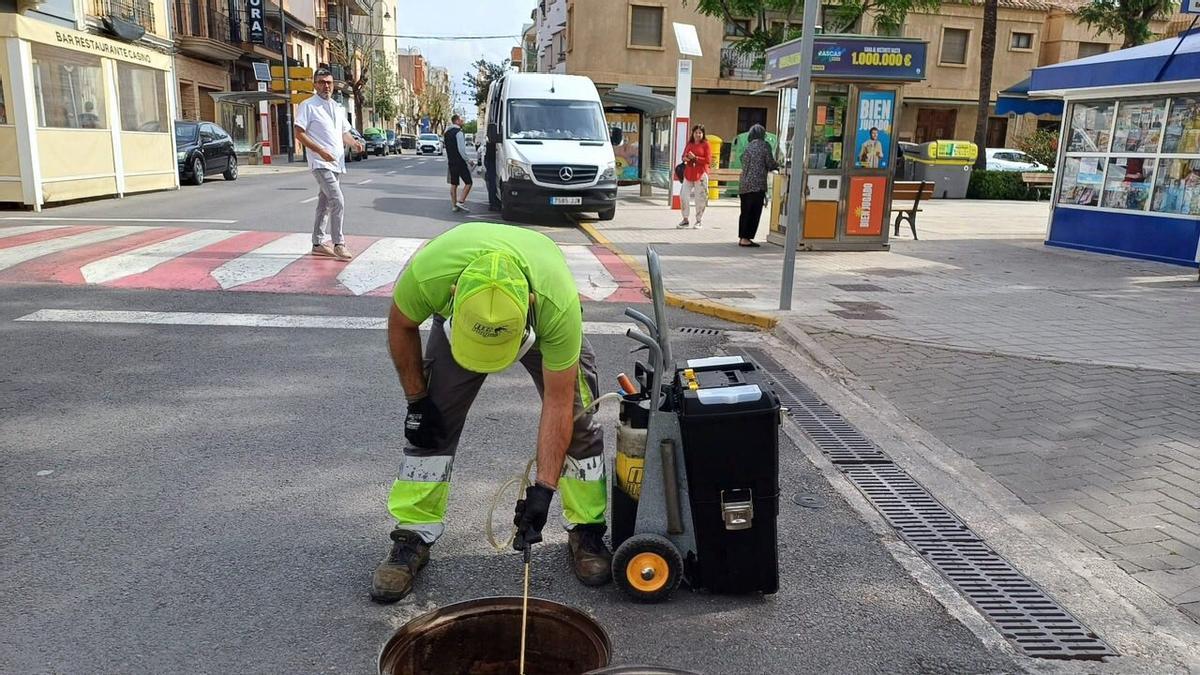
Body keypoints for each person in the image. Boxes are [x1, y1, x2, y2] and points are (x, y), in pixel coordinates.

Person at [370, 221, 612, 603]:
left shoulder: (555, 303)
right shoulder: (431, 273)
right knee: (434, 421)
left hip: (538, 322)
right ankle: (413, 533)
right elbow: (401, 325)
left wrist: (544, 489)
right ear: (452, 295)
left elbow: (558, 403)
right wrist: (417, 400)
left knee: (580, 420)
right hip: (461, 328)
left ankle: (587, 528)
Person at [293, 67, 364, 261]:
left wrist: (354, 143)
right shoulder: (308, 106)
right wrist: (320, 151)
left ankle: (317, 243)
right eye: (322, 82)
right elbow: (299, 133)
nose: (326, 86)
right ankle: (338, 243)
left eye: (329, 82)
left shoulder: (337, 107)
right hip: (320, 162)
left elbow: (343, 133)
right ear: (315, 84)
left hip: (336, 164)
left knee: (324, 204)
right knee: (337, 200)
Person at [737, 124, 778, 247]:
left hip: (744, 184)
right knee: (754, 213)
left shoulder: (748, 146)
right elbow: (770, 163)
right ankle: (746, 238)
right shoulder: (765, 146)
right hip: (757, 185)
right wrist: (777, 165)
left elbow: (743, 161)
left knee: (745, 212)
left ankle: (742, 237)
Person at [678, 124, 712, 229]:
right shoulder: (689, 144)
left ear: (703, 134)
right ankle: (685, 219)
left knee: (700, 198)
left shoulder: (706, 144)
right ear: (693, 133)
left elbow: (708, 160)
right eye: (696, 132)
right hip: (688, 173)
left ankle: (698, 220)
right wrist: (686, 158)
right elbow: (683, 156)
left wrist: (696, 158)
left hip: (701, 173)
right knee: (683, 196)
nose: (698, 134)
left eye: (700, 133)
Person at [444, 114, 473, 212]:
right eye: (461, 120)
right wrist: (468, 160)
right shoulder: (459, 133)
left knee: (454, 184)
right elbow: (461, 150)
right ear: (456, 121)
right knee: (468, 182)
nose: (463, 121)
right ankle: (461, 201)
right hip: (460, 162)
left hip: (451, 162)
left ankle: (454, 206)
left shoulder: (446, 133)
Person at [483, 135, 501, 212]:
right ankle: (493, 203)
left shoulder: (490, 138)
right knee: (492, 182)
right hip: (491, 161)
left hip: (489, 160)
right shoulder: (493, 139)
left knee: (491, 182)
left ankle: (493, 202)